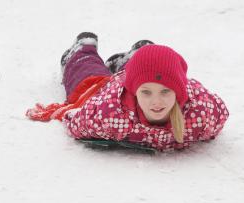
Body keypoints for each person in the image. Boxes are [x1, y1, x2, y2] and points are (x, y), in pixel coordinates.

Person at [26, 32, 229, 151]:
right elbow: (77, 123)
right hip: (111, 88)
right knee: (87, 82)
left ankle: (137, 56)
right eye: (147, 93)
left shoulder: (200, 114)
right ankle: (82, 51)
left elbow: (221, 113)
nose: (156, 102)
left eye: (165, 92)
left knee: (149, 68)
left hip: (143, 76)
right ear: (133, 92)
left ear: (179, 93)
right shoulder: (109, 112)